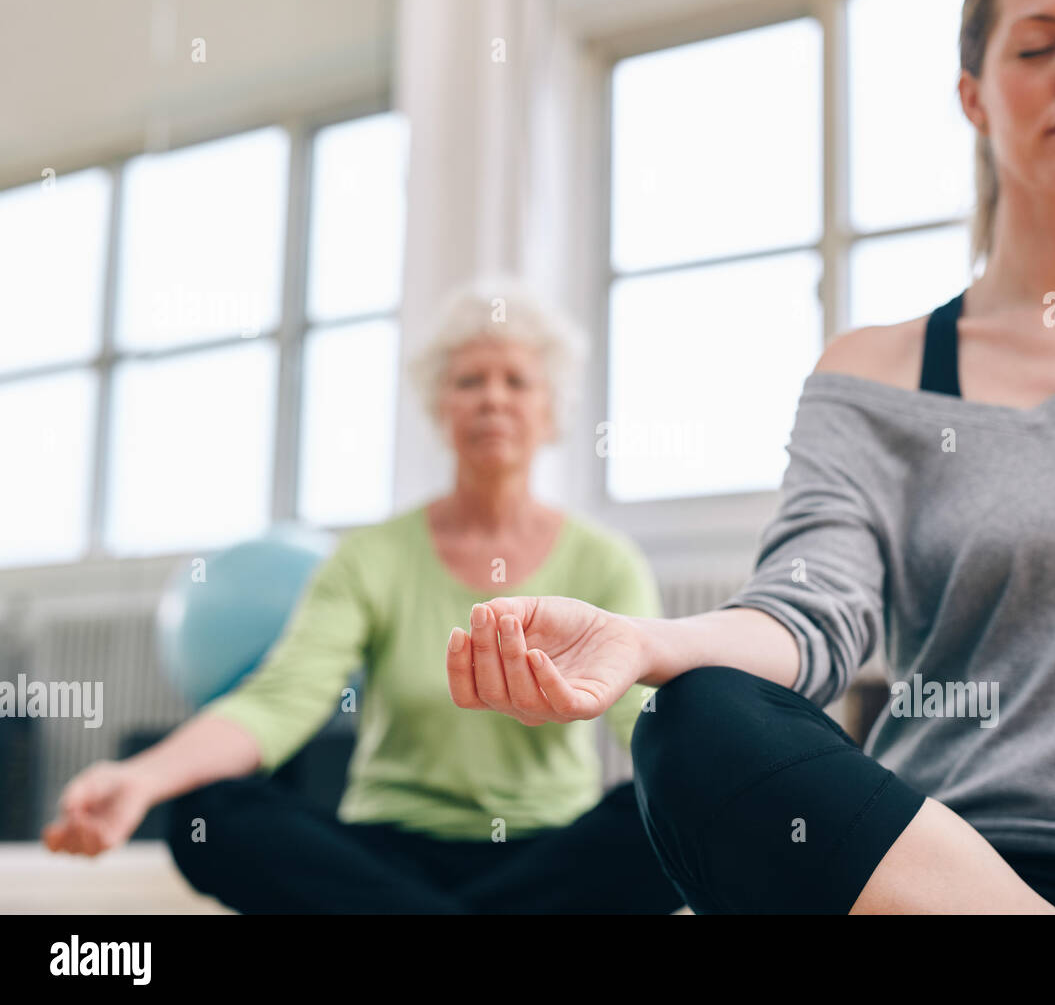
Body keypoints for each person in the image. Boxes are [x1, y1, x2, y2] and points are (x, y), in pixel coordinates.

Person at [443, 0, 1055, 914]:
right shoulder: (874, 372)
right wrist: (644, 640)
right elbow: (810, 614)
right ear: (973, 94)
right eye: (1038, 44)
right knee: (695, 716)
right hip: (926, 878)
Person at [42, 279, 684, 915]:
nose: (492, 398)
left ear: (550, 412)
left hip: (546, 857)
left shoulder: (606, 562)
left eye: (516, 381)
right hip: (385, 856)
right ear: (441, 406)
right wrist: (141, 779)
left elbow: (648, 723)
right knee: (210, 812)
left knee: (672, 815)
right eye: (469, 382)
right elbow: (280, 700)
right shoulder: (369, 558)